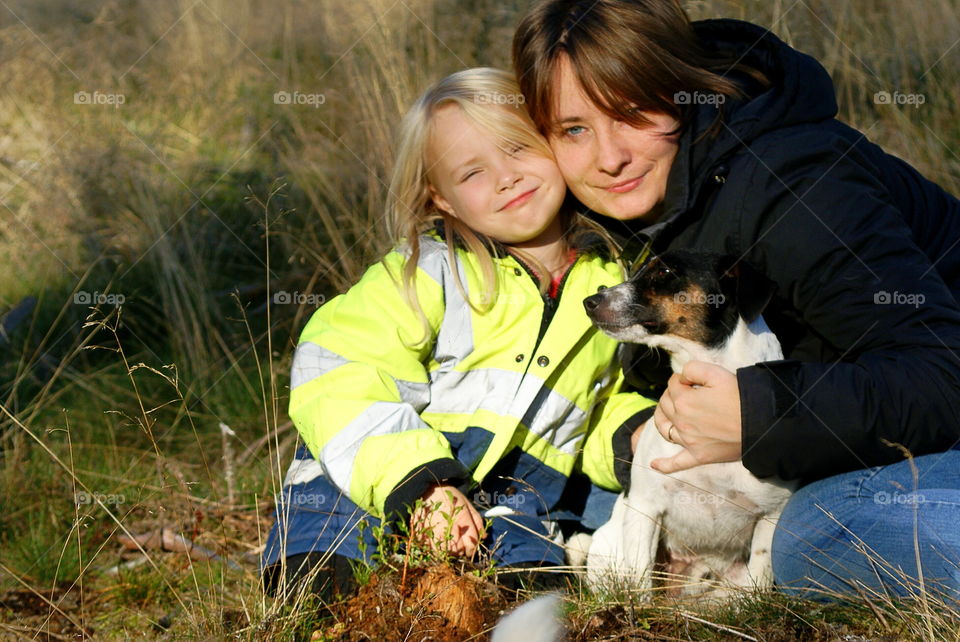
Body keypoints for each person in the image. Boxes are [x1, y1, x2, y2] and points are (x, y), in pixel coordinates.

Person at [513, 0, 960, 600]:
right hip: (837, 438)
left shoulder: (795, 185)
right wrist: (641, 436)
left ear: (682, 89)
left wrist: (760, 416)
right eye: (574, 129)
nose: (610, 157)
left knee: (809, 537)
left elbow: (943, 377)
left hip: (929, 427)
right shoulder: (629, 212)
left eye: (633, 113)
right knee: (593, 500)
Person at [260, 67, 656, 601]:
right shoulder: (424, 272)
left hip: (512, 505)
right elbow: (338, 370)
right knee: (328, 587)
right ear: (441, 199)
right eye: (472, 172)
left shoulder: (613, 285)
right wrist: (424, 485)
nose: (506, 177)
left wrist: (634, 436)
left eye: (517, 148)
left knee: (534, 604)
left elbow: (593, 409)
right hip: (374, 485)